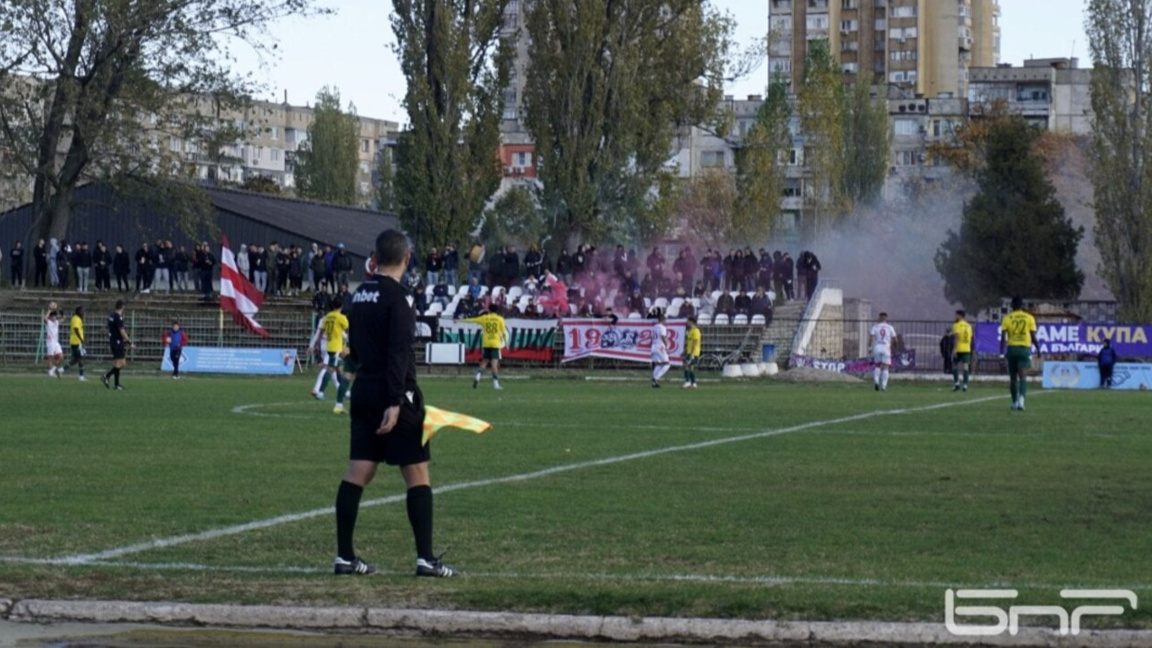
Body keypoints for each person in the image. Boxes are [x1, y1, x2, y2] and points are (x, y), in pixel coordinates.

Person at [334, 228, 459, 578]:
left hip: (364, 388)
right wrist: (395, 400)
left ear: (375, 258)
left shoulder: (358, 296)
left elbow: (354, 348)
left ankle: (344, 556)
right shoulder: (400, 297)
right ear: (406, 258)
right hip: (395, 394)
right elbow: (400, 352)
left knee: (358, 471)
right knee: (418, 473)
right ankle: (425, 559)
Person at [999, 296, 1039, 411]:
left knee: (1013, 378)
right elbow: (1033, 336)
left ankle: (1014, 402)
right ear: (1022, 305)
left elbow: (1003, 338)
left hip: (1011, 349)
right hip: (1024, 349)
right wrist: (1038, 349)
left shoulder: (1007, 318)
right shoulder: (1029, 318)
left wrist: (1001, 353)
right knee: (1022, 376)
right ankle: (1022, 400)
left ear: (1012, 305)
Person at [312, 301, 350, 411]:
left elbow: (321, 331)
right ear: (341, 306)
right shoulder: (340, 317)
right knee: (330, 369)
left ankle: (344, 394)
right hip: (336, 347)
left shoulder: (327, 316)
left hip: (328, 345)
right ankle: (320, 392)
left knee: (338, 370)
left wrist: (318, 343)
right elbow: (348, 328)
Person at [462, 304, 507, 390]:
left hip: (486, 343)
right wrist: (506, 343)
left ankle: (478, 375)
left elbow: (472, 320)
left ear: (489, 310)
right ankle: (495, 384)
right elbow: (504, 332)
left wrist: (460, 320)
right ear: (497, 311)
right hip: (495, 343)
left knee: (484, 361)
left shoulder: (484, 318)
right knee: (494, 364)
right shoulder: (500, 319)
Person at [102, 300, 133, 390]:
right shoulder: (118, 317)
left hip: (113, 341)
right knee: (122, 363)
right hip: (117, 342)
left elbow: (110, 329)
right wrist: (129, 341)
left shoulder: (111, 316)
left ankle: (116, 384)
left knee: (118, 363)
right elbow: (122, 331)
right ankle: (106, 376)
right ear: (123, 307)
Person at [870, 312, 897, 392]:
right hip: (886, 348)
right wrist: (895, 347)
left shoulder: (875, 327)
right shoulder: (890, 327)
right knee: (885, 367)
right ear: (886, 318)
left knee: (877, 365)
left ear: (879, 318)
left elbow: (871, 337)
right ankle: (884, 386)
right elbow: (895, 339)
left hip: (877, 347)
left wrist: (869, 348)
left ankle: (876, 382)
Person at [950, 310, 974, 392]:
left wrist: (954, 349)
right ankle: (965, 385)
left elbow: (957, 337)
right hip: (967, 348)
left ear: (959, 316)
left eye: (956, 315)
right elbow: (970, 338)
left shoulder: (957, 325)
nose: (955, 317)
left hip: (959, 348)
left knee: (954, 364)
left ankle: (956, 383)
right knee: (965, 366)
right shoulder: (968, 326)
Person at [65, 306, 87, 381]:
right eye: (82, 311)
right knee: (80, 358)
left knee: (77, 359)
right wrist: (81, 339)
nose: (83, 313)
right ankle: (81, 376)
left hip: (76, 341)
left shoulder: (76, 318)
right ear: (78, 312)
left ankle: (61, 370)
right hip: (76, 341)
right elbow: (76, 329)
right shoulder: (76, 319)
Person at [651, 311, 671, 388]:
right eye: (665, 320)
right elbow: (663, 337)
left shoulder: (654, 327)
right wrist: (667, 347)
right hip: (660, 347)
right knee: (667, 364)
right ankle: (655, 378)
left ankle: (654, 382)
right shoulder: (662, 327)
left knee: (658, 364)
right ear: (663, 320)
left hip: (653, 346)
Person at [43, 307, 63, 377]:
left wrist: (61, 311)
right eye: (53, 315)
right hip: (50, 342)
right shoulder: (48, 322)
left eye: (55, 315)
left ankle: (53, 369)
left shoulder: (56, 322)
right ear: (50, 316)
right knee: (50, 357)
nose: (55, 317)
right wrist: (49, 310)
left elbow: (64, 318)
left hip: (56, 342)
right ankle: (50, 372)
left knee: (61, 357)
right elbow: (44, 319)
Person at [683, 316, 701, 389]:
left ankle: (688, 381)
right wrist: (685, 351)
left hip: (693, 352)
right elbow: (689, 343)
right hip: (689, 352)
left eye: (688, 321)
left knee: (686, 365)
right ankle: (693, 383)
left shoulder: (696, 331)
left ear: (692, 322)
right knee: (691, 367)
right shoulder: (690, 331)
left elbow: (695, 343)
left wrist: (692, 354)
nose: (687, 323)